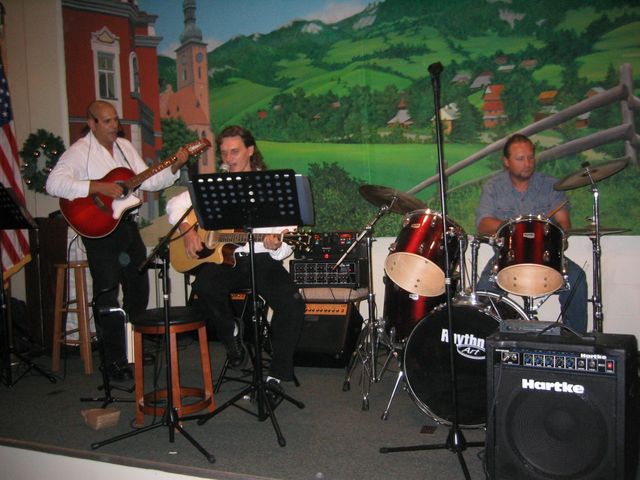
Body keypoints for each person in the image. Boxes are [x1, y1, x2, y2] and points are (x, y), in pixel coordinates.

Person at [46, 100, 190, 381]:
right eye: (108, 121)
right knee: (108, 294)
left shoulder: (124, 147)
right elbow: (54, 184)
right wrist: (97, 187)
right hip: (99, 231)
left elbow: (149, 181)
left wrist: (175, 165)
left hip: (126, 227)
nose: (115, 126)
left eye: (116, 120)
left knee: (138, 288)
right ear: (92, 123)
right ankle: (113, 360)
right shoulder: (79, 152)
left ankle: (132, 351)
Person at [166, 125, 305, 395]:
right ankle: (231, 334)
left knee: (292, 303)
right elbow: (175, 205)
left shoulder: (270, 186)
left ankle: (276, 376)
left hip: (262, 259)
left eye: (235, 152)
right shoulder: (216, 185)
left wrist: (275, 244)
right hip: (226, 258)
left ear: (250, 151)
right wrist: (187, 231)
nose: (228, 158)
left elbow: (286, 237)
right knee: (204, 286)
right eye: (224, 152)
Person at [475, 133, 588, 332]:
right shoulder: (494, 187)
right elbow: (483, 224)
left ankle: (574, 340)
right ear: (506, 162)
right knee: (483, 294)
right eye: (520, 158)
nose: (527, 163)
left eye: (531, 157)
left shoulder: (550, 185)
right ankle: (487, 340)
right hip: (506, 257)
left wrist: (550, 232)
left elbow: (564, 223)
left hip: (548, 257)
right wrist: (517, 228)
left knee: (577, 278)